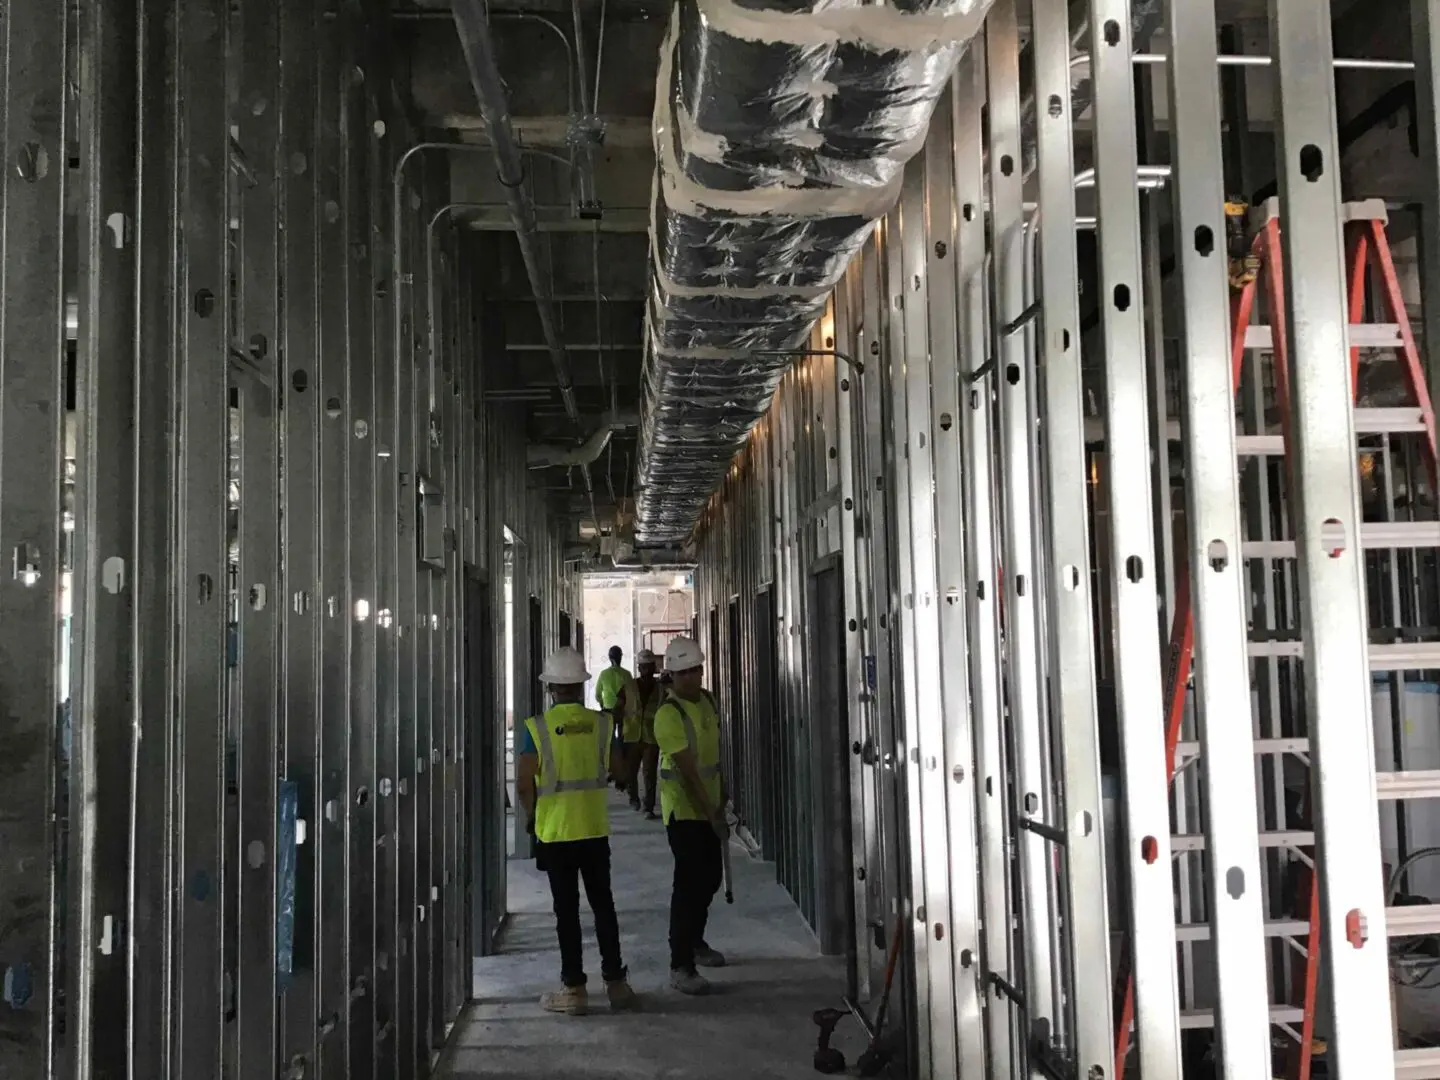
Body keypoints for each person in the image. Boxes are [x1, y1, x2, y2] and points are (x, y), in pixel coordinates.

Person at [517, 647, 639, 1015]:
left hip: (555, 834)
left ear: (551, 686)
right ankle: (616, 984)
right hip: (593, 830)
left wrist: (531, 816)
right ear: (581, 685)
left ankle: (574, 990)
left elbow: (524, 784)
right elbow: (620, 773)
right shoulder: (602, 726)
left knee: (566, 912)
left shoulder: (534, 729)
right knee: (604, 906)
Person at [654, 636, 729, 995]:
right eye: (684, 672)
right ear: (671, 675)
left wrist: (723, 796)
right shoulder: (669, 715)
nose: (693, 677)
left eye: (697, 669)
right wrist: (710, 813)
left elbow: (714, 755)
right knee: (688, 887)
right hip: (684, 813)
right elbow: (687, 771)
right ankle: (680, 964)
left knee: (711, 879)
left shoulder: (708, 701)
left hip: (710, 806)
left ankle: (696, 943)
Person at [626, 648, 666, 820]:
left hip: (651, 736)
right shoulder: (628, 687)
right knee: (631, 771)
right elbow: (618, 708)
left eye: (649, 666)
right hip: (632, 735)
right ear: (639, 668)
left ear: (654, 667)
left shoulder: (661, 688)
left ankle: (648, 806)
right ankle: (633, 798)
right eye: (643, 667)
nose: (647, 670)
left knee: (649, 773)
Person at [595, 645, 635, 794]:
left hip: (608, 711)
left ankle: (612, 770)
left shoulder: (604, 674)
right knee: (623, 741)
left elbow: (598, 694)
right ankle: (622, 772)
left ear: (610, 658)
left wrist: (603, 704)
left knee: (609, 742)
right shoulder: (627, 674)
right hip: (623, 712)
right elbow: (632, 694)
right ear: (620, 657)